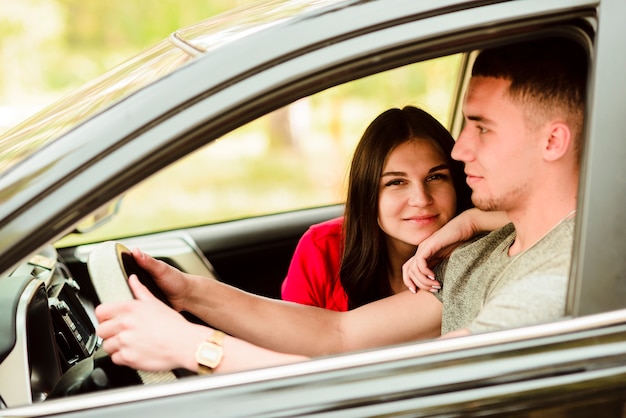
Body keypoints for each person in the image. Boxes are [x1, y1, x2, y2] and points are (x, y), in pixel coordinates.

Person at [95, 36, 586, 374]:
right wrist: (192, 293)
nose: (459, 150)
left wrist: (190, 346)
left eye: (482, 127)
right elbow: (340, 335)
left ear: (552, 141)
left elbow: (384, 387)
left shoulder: (555, 285)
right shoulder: (490, 247)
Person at [281, 106, 474, 311]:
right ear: (367, 193)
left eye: (435, 177)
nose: (421, 199)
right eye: (396, 182)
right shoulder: (322, 249)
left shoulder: (482, 251)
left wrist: (472, 221)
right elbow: (291, 339)